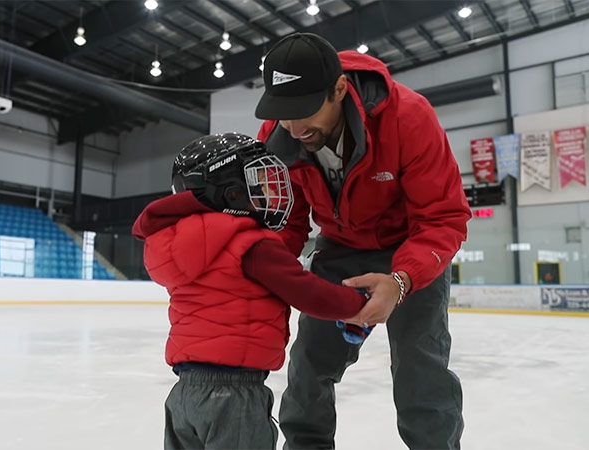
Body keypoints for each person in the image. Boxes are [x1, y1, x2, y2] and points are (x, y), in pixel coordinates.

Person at [255, 33, 471, 449]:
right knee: (307, 366)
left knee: (420, 373)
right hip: (338, 248)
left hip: (411, 251)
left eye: (303, 110)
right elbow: (286, 220)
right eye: (283, 112)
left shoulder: (408, 117)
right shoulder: (279, 134)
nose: (294, 126)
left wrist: (403, 280)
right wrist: (269, 269)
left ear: (339, 89)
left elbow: (443, 218)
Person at [132, 132, 374, 450]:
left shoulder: (181, 246)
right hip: (234, 396)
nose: (268, 193)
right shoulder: (251, 244)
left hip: (184, 394)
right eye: (257, 186)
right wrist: (357, 303)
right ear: (231, 195)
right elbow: (307, 292)